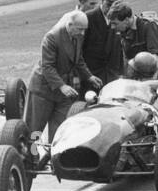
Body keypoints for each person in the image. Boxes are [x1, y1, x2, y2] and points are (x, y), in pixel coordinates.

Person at [25, 11, 101, 140]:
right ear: (70, 25)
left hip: (64, 92)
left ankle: (54, 157)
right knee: (34, 131)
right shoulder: (52, 37)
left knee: (60, 130)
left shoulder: (78, 36)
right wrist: (61, 86)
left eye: (84, 30)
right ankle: (30, 157)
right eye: (80, 29)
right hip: (43, 90)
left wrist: (89, 76)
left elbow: (78, 59)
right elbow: (47, 66)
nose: (83, 33)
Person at [84, 0, 125, 85]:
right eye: (108, 5)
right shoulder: (88, 18)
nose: (111, 8)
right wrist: (83, 75)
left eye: (115, 5)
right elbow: (79, 51)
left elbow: (119, 48)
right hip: (91, 77)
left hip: (112, 76)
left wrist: (121, 73)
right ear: (102, 1)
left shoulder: (119, 19)